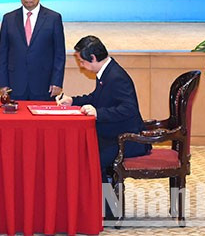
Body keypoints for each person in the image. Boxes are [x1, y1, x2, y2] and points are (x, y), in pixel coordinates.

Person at [57, 35, 150, 181]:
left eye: (82, 61)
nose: (81, 65)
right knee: (80, 150)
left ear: (93, 57)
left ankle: (106, 202)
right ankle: (100, 200)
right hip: (113, 135)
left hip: (127, 140)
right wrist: (73, 101)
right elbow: (96, 98)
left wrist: (98, 113)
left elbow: (129, 108)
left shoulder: (116, 76)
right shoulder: (106, 72)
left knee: (90, 160)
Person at [0, 0, 65, 101]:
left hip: (44, 84)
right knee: (16, 119)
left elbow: (59, 54)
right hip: (15, 83)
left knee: (42, 120)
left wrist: (57, 82)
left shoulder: (53, 18)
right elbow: (3, 54)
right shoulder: (8, 18)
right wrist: (3, 83)